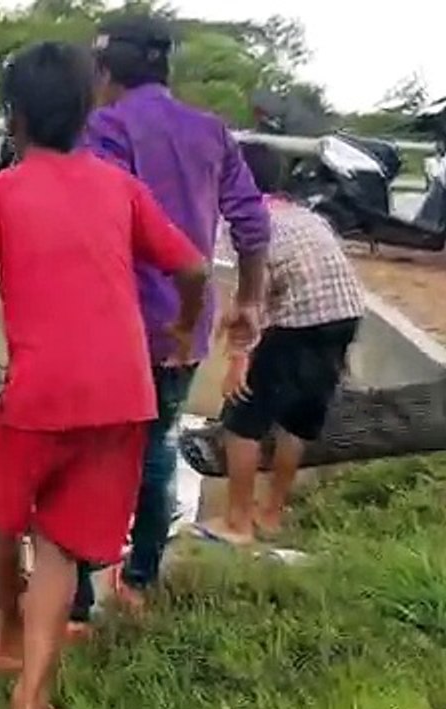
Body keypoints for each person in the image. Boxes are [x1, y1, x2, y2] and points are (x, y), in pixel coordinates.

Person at [0, 41, 209, 709]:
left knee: (2, 517)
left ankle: (5, 628)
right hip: (124, 397)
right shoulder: (121, 188)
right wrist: (182, 328)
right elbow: (195, 269)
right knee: (61, 547)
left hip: (39, 396)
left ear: (14, 119)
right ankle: (32, 700)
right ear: (90, 109)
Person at [70, 14, 271, 629]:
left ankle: (77, 602)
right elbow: (253, 222)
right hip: (187, 321)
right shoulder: (210, 130)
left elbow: (92, 221)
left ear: (104, 72)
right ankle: (139, 578)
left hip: (118, 321)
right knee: (153, 447)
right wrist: (250, 301)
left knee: (88, 455)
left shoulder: (103, 127)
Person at [196, 143, 365, 545]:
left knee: (242, 422)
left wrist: (239, 359)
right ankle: (271, 513)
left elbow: (254, 292)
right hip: (345, 314)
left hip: (296, 322)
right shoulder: (307, 217)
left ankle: (237, 523)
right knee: (297, 420)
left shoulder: (244, 221)